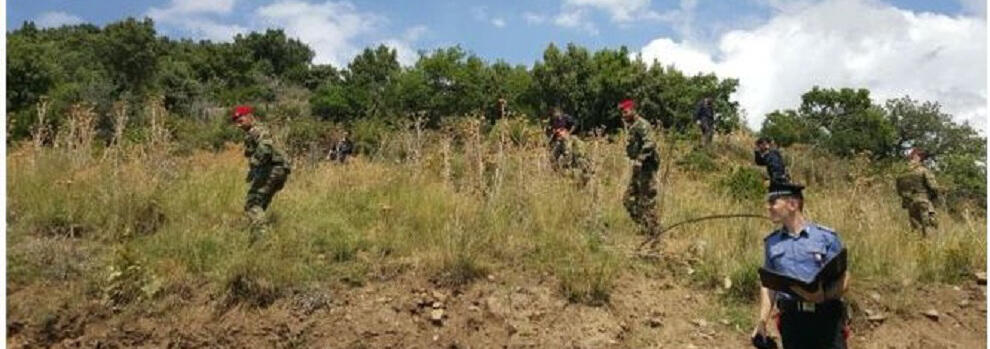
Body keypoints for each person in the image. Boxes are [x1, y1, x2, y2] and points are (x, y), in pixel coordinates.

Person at [753, 183, 850, 349]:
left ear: (792, 204)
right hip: (792, 320)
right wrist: (762, 322)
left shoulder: (826, 237)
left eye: (773, 202)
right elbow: (769, 286)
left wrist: (823, 296)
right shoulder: (772, 243)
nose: (768, 207)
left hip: (826, 317)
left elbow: (844, 278)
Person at [232, 105, 291, 243]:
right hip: (279, 170)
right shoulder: (257, 131)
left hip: (272, 169)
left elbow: (265, 148)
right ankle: (254, 231)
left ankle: (263, 238)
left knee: (252, 203)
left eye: (240, 119)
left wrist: (254, 163)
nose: (238, 124)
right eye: (236, 121)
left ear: (250, 117)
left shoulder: (256, 130)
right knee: (261, 203)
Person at [618, 99, 661, 237]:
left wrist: (640, 160)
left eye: (625, 112)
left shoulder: (642, 124)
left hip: (646, 168)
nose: (623, 115)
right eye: (622, 113)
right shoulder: (633, 126)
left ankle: (654, 233)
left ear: (633, 110)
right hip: (639, 169)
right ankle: (644, 226)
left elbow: (650, 143)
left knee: (647, 200)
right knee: (628, 199)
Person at [895, 148, 940, 236]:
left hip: (909, 203)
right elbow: (934, 187)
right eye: (922, 157)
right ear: (917, 157)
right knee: (928, 226)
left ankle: (917, 247)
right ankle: (930, 247)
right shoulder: (923, 170)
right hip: (923, 201)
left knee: (916, 229)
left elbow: (899, 192)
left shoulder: (901, 174)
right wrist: (934, 197)